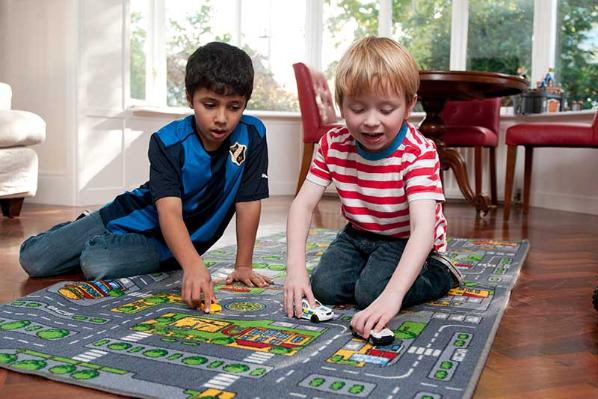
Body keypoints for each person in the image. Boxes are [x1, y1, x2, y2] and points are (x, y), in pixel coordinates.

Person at [20, 42, 272, 311]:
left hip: (166, 245)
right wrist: (193, 265)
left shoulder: (253, 135)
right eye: (209, 104)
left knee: (97, 262)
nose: (221, 118)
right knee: (33, 260)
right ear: (190, 98)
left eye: (234, 107)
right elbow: (169, 213)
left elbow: (247, 202)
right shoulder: (168, 142)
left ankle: (113, 248)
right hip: (128, 218)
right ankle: (84, 226)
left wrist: (242, 265)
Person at [283, 37, 463, 339]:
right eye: (357, 108)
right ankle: (371, 272)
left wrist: (392, 298)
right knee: (323, 287)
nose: (370, 122)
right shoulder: (332, 144)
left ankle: (440, 273)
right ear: (341, 105)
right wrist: (295, 269)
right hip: (358, 234)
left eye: (386, 109)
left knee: (372, 294)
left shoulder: (418, 152)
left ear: (408, 105)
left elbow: (422, 228)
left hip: (406, 239)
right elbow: (302, 205)